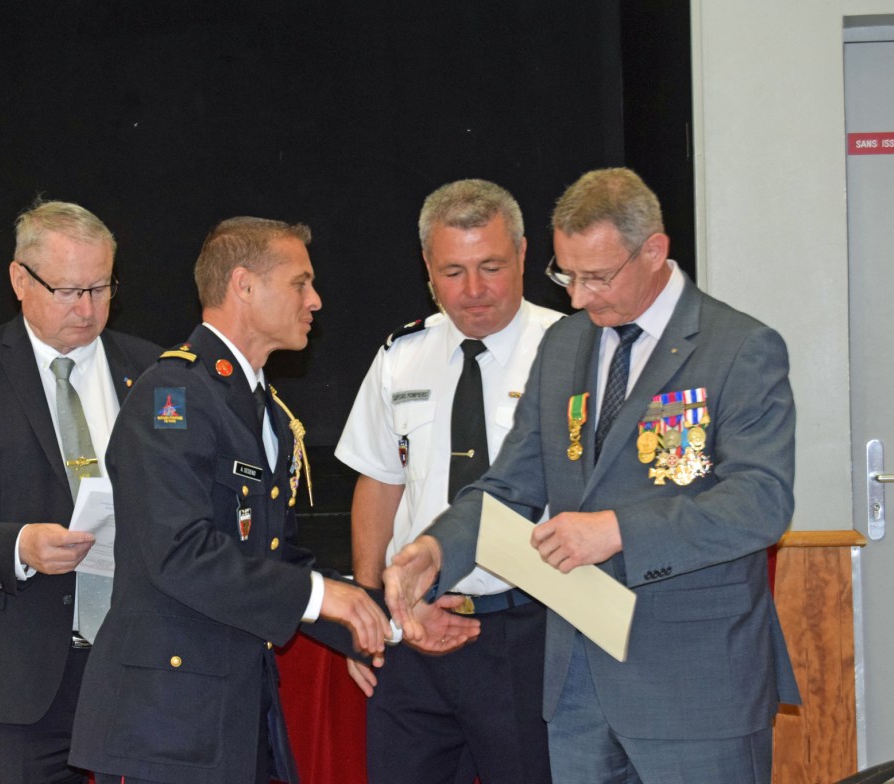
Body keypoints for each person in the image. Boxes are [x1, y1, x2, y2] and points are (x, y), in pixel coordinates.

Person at [385, 168, 800, 784]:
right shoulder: (565, 346)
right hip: (578, 685)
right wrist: (436, 549)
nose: (579, 297)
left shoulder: (737, 347)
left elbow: (760, 502)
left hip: (694, 682)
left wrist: (616, 531)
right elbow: (511, 485)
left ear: (654, 251)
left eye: (598, 277)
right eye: (566, 276)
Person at [68, 217, 479, 784]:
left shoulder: (264, 409)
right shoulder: (173, 395)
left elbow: (275, 557)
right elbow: (178, 552)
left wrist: (394, 620)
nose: (315, 300)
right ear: (244, 285)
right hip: (169, 724)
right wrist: (323, 596)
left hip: (233, 713)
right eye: (299, 282)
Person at [0, 200, 164, 783]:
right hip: (21, 670)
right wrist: (19, 546)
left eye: (102, 287)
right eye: (68, 290)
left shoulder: (154, 371)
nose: (88, 308)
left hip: (140, 659)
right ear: (20, 280)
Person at [335, 179, 561, 784]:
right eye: (453, 272)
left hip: (527, 629)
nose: (474, 290)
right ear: (427, 269)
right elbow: (379, 482)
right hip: (412, 633)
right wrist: (369, 614)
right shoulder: (401, 355)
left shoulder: (567, 351)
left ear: (523, 254)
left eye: (491, 267)